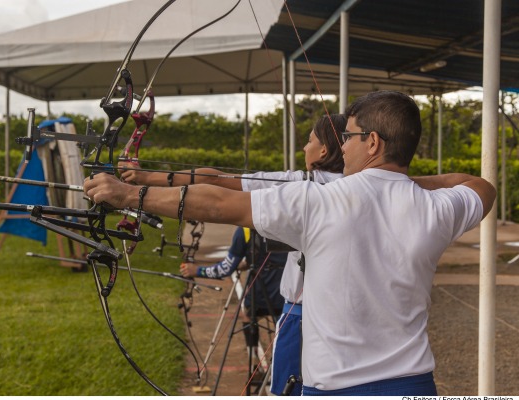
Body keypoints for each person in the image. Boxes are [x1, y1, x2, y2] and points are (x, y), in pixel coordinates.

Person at [84, 90, 496, 396]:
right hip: (414, 386)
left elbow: (219, 201)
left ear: (373, 143)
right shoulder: (438, 208)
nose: (343, 146)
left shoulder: (317, 200)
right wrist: (401, 180)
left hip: (335, 388)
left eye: (349, 136)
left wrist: (127, 196)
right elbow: (480, 187)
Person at [120, 114, 347, 395]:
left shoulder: (300, 186)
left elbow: (216, 182)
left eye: (310, 140)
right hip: (350, 317)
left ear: (324, 150)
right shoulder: (371, 188)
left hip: (301, 316)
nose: (304, 147)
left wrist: (143, 179)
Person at [181, 226, 286, 362]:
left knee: (247, 316)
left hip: (261, 293)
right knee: (285, 329)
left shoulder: (246, 230)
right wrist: (249, 262)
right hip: (289, 293)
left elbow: (225, 269)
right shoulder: (289, 220)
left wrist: (197, 271)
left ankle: (254, 362)